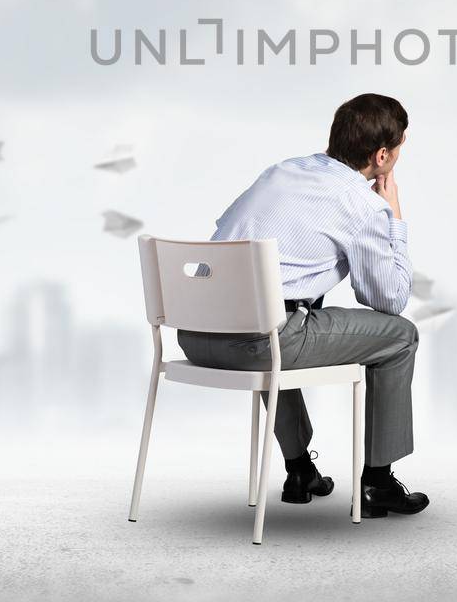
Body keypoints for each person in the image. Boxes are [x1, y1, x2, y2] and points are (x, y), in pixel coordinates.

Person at [178, 93, 429, 518]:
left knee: (273, 318)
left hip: (196, 335)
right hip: (258, 342)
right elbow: (389, 300)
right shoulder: (362, 204)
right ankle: (378, 483)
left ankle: (299, 472)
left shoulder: (282, 171)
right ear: (382, 155)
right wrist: (394, 219)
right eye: (400, 147)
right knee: (401, 337)